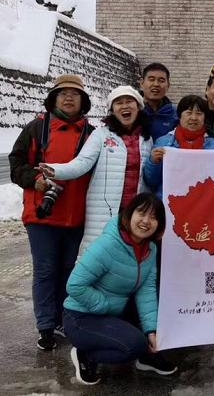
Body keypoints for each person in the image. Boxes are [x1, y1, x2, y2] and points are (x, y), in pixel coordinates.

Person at [9, 74, 94, 351]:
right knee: (46, 270)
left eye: (75, 94)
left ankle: (61, 319)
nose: (69, 98)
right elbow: (16, 163)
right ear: (53, 99)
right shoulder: (37, 128)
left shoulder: (92, 134)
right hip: (41, 215)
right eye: (63, 93)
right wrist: (35, 179)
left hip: (75, 215)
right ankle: (46, 326)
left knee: (68, 270)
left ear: (83, 100)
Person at [63, 193, 168, 385]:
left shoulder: (150, 249)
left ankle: (145, 356)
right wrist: (104, 306)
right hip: (81, 316)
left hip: (110, 315)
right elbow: (75, 284)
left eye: (154, 217)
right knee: (134, 345)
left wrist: (151, 330)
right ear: (129, 214)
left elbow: (146, 291)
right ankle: (84, 354)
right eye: (141, 213)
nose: (146, 221)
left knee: (150, 335)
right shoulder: (108, 245)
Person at [38, 86, 153, 249]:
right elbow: (82, 163)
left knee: (132, 256)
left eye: (129, 101)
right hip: (105, 211)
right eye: (119, 103)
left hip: (136, 211)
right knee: (100, 254)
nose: (124, 106)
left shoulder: (147, 139)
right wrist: (55, 171)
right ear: (112, 110)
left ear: (138, 106)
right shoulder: (101, 134)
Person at [144, 95, 214, 197]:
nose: (194, 118)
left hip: (201, 202)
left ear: (205, 117)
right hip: (169, 201)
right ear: (179, 116)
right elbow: (151, 181)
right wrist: (153, 162)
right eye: (189, 113)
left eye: (199, 113)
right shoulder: (163, 142)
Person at [140, 62, 178, 141]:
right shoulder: (133, 111)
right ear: (141, 83)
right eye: (151, 79)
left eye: (161, 80)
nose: (156, 84)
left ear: (168, 85)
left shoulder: (176, 114)